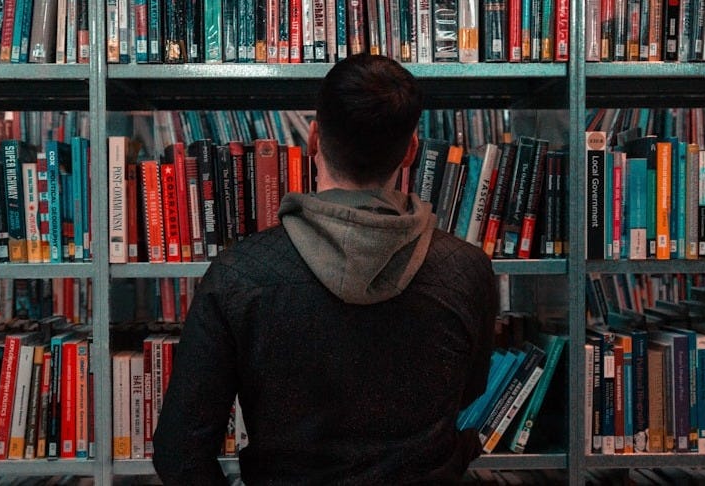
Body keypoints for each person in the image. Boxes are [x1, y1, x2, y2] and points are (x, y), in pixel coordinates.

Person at [152, 54, 497, 485]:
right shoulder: (467, 272)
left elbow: (179, 451)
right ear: (411, 152)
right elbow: (467, 393)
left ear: (313, 139)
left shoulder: (238, 275)